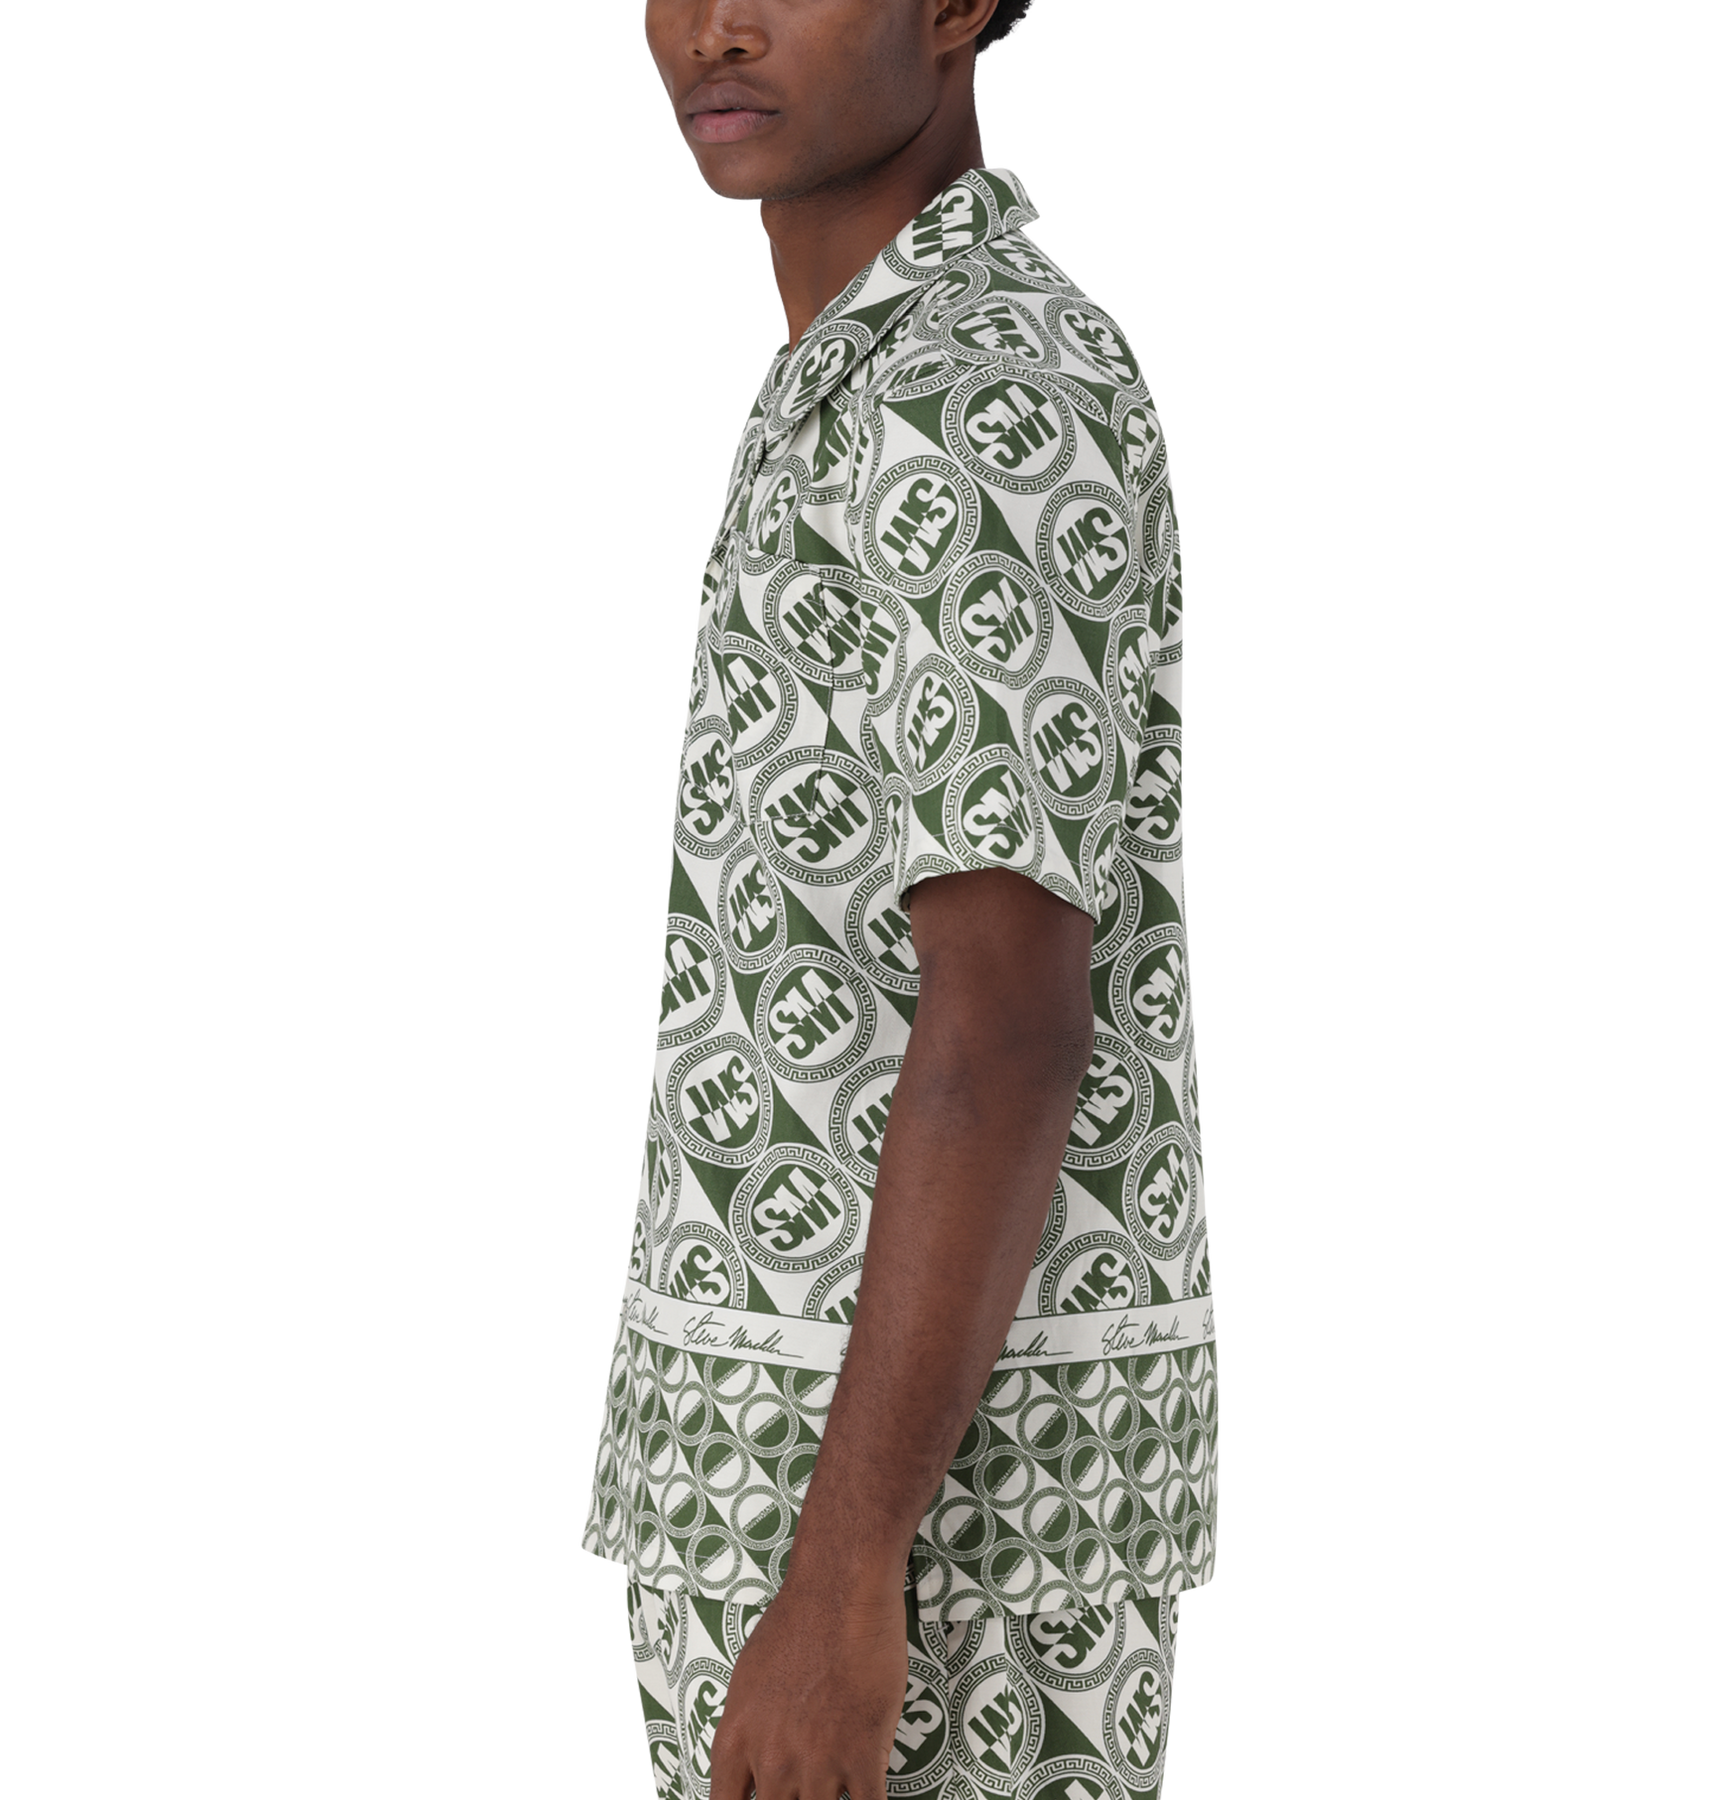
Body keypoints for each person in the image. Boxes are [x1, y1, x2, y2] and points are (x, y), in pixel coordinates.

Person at [579, 4, 1218, 1795]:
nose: (716, 26)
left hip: (945, 1547)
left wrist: (847, 1573)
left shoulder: (979, 395)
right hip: (772, 1480)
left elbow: (1009, 1018)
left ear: (956, 4)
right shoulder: (854, 373)